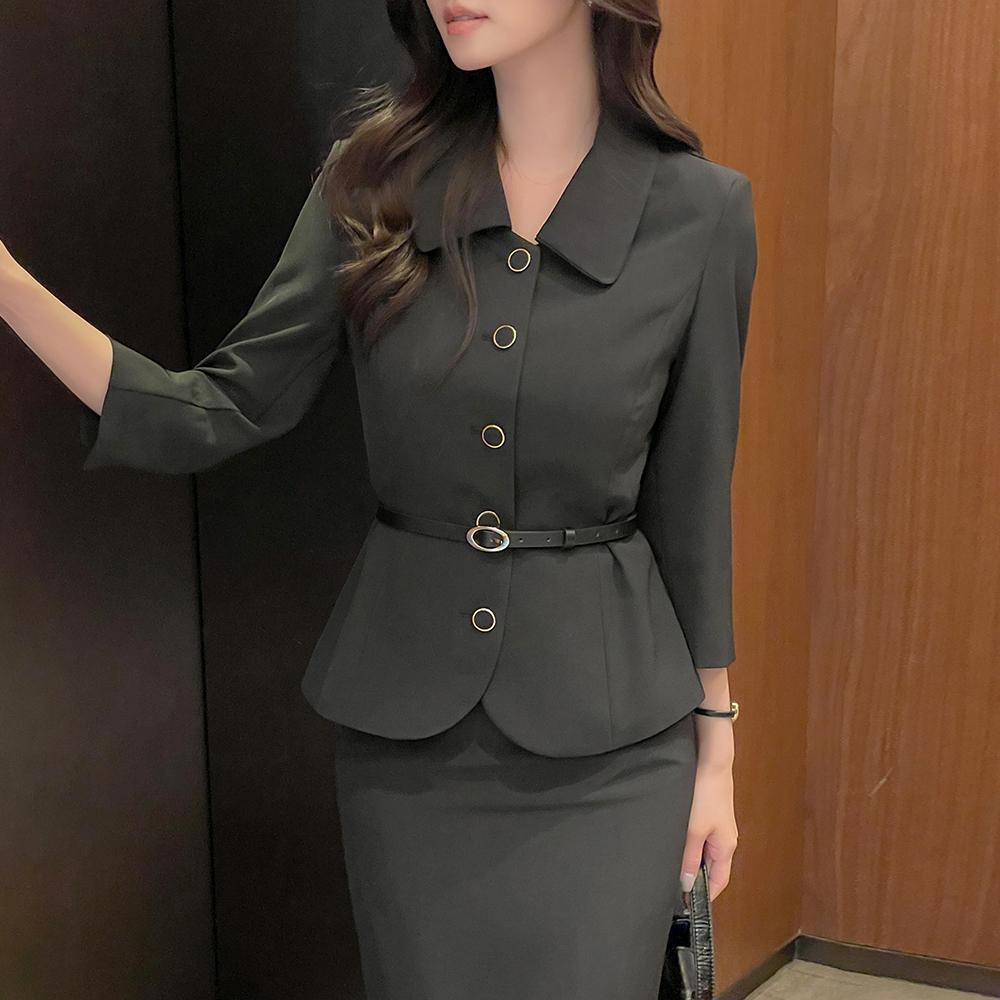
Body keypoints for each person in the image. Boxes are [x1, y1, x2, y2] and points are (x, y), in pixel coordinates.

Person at [0, 0, 757, 996]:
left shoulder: (702, 212)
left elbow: (693, 503)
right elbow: (217, 408)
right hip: (409, 749)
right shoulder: (368, 185)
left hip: (616, 753)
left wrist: (715, 749)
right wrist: (8, 285)